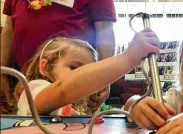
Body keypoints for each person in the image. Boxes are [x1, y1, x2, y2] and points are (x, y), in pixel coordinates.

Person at [1, 0, 116, 112]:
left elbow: (105, 31)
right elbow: (9, 26)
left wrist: (104, 80)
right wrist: (2, 72)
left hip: (76, 86)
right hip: (26, 80)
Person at [14, 28, 159, 116]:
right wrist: (128, 58)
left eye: (88, 71)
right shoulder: (34, 89)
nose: (83, 76)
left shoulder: (76, 104)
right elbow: (62, 90)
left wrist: (92, 109)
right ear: (45, 67)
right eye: (75, 68)